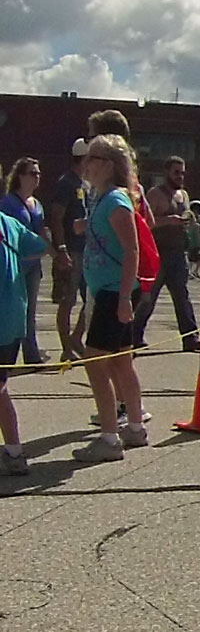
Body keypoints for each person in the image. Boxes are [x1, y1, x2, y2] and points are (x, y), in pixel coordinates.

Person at [75, 135, 148, 462]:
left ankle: (109, 436)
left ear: (107, 164)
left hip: (112, 292)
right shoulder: (100, 199)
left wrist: (122, 298)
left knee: (95, 362)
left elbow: (132, 250)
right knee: (120, 361)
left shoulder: (115, 201)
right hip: (108, 290)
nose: (85, 164)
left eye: (91, 158)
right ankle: (134, 426)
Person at [0, 193, 48, 475]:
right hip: (13, 319)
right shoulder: (10, 224)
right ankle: (15, 450)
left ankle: (15, 451)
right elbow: (40, 246)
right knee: (1, 386)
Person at [135, 155, 200, 350]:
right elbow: (143, 221)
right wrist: (168, 220)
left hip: (178, 254)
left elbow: (186, 220)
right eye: (176, 172)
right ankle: (134, 336)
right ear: (166, 173)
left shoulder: (184, 195)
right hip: (158, 253)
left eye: (182, 173)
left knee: (182, 297)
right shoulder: (155, 194)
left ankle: (190, 338)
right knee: (148, 298)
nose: (180, 176)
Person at [1, 158, 49, 364]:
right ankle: (17, 351)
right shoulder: (9, 203)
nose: (36, 177)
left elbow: (41, 239)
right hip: (15, 265)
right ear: (20, 176)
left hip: (34, 264)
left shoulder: (36, 204)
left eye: (38, 173)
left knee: (29, 310)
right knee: (15, 309)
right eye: (32, 173)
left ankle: (31, 352)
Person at [47, 138, 88, 362]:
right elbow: (56, 217)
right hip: (71, 249)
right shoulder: (67, 183)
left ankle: (76, 337)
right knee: (68, 299)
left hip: (87, 249)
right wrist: (61, 248)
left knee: (91, 298)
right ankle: (66, 347)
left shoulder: (85, 184)